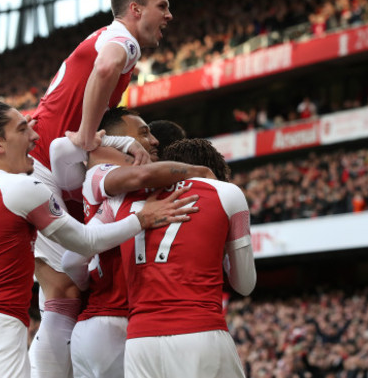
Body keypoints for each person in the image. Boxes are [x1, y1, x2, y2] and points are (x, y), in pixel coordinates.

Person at [0, 100, 197, 378]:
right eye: (22, 129)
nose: (35, 136)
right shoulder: (22, 188)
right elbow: (86, 243)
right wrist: (142, 219)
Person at [28, 0, 173, 378]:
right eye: (162, 5)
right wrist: (90, 135)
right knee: (64, 291)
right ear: (135, 9)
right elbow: (105, 69)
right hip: (44, 165)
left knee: (72, 287)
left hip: (55, 162)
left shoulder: (113, 39)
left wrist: (112, 144)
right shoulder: (122, 41)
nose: (169, 15)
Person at [53, 107, 213, 378]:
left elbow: (72, 260)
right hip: (117, 322)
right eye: (143, 133)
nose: (153, 141)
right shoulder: (101, 173)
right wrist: (202, 172)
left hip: (97, 325)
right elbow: (143, 175)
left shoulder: (120, 198)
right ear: (120, 140)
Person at [89, 138, 257, 378]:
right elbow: (245, 283)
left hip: (139, 341)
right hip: (201, 331)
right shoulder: (227, 192)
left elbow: (78, 252)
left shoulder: (120, 199)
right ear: (215, 171)